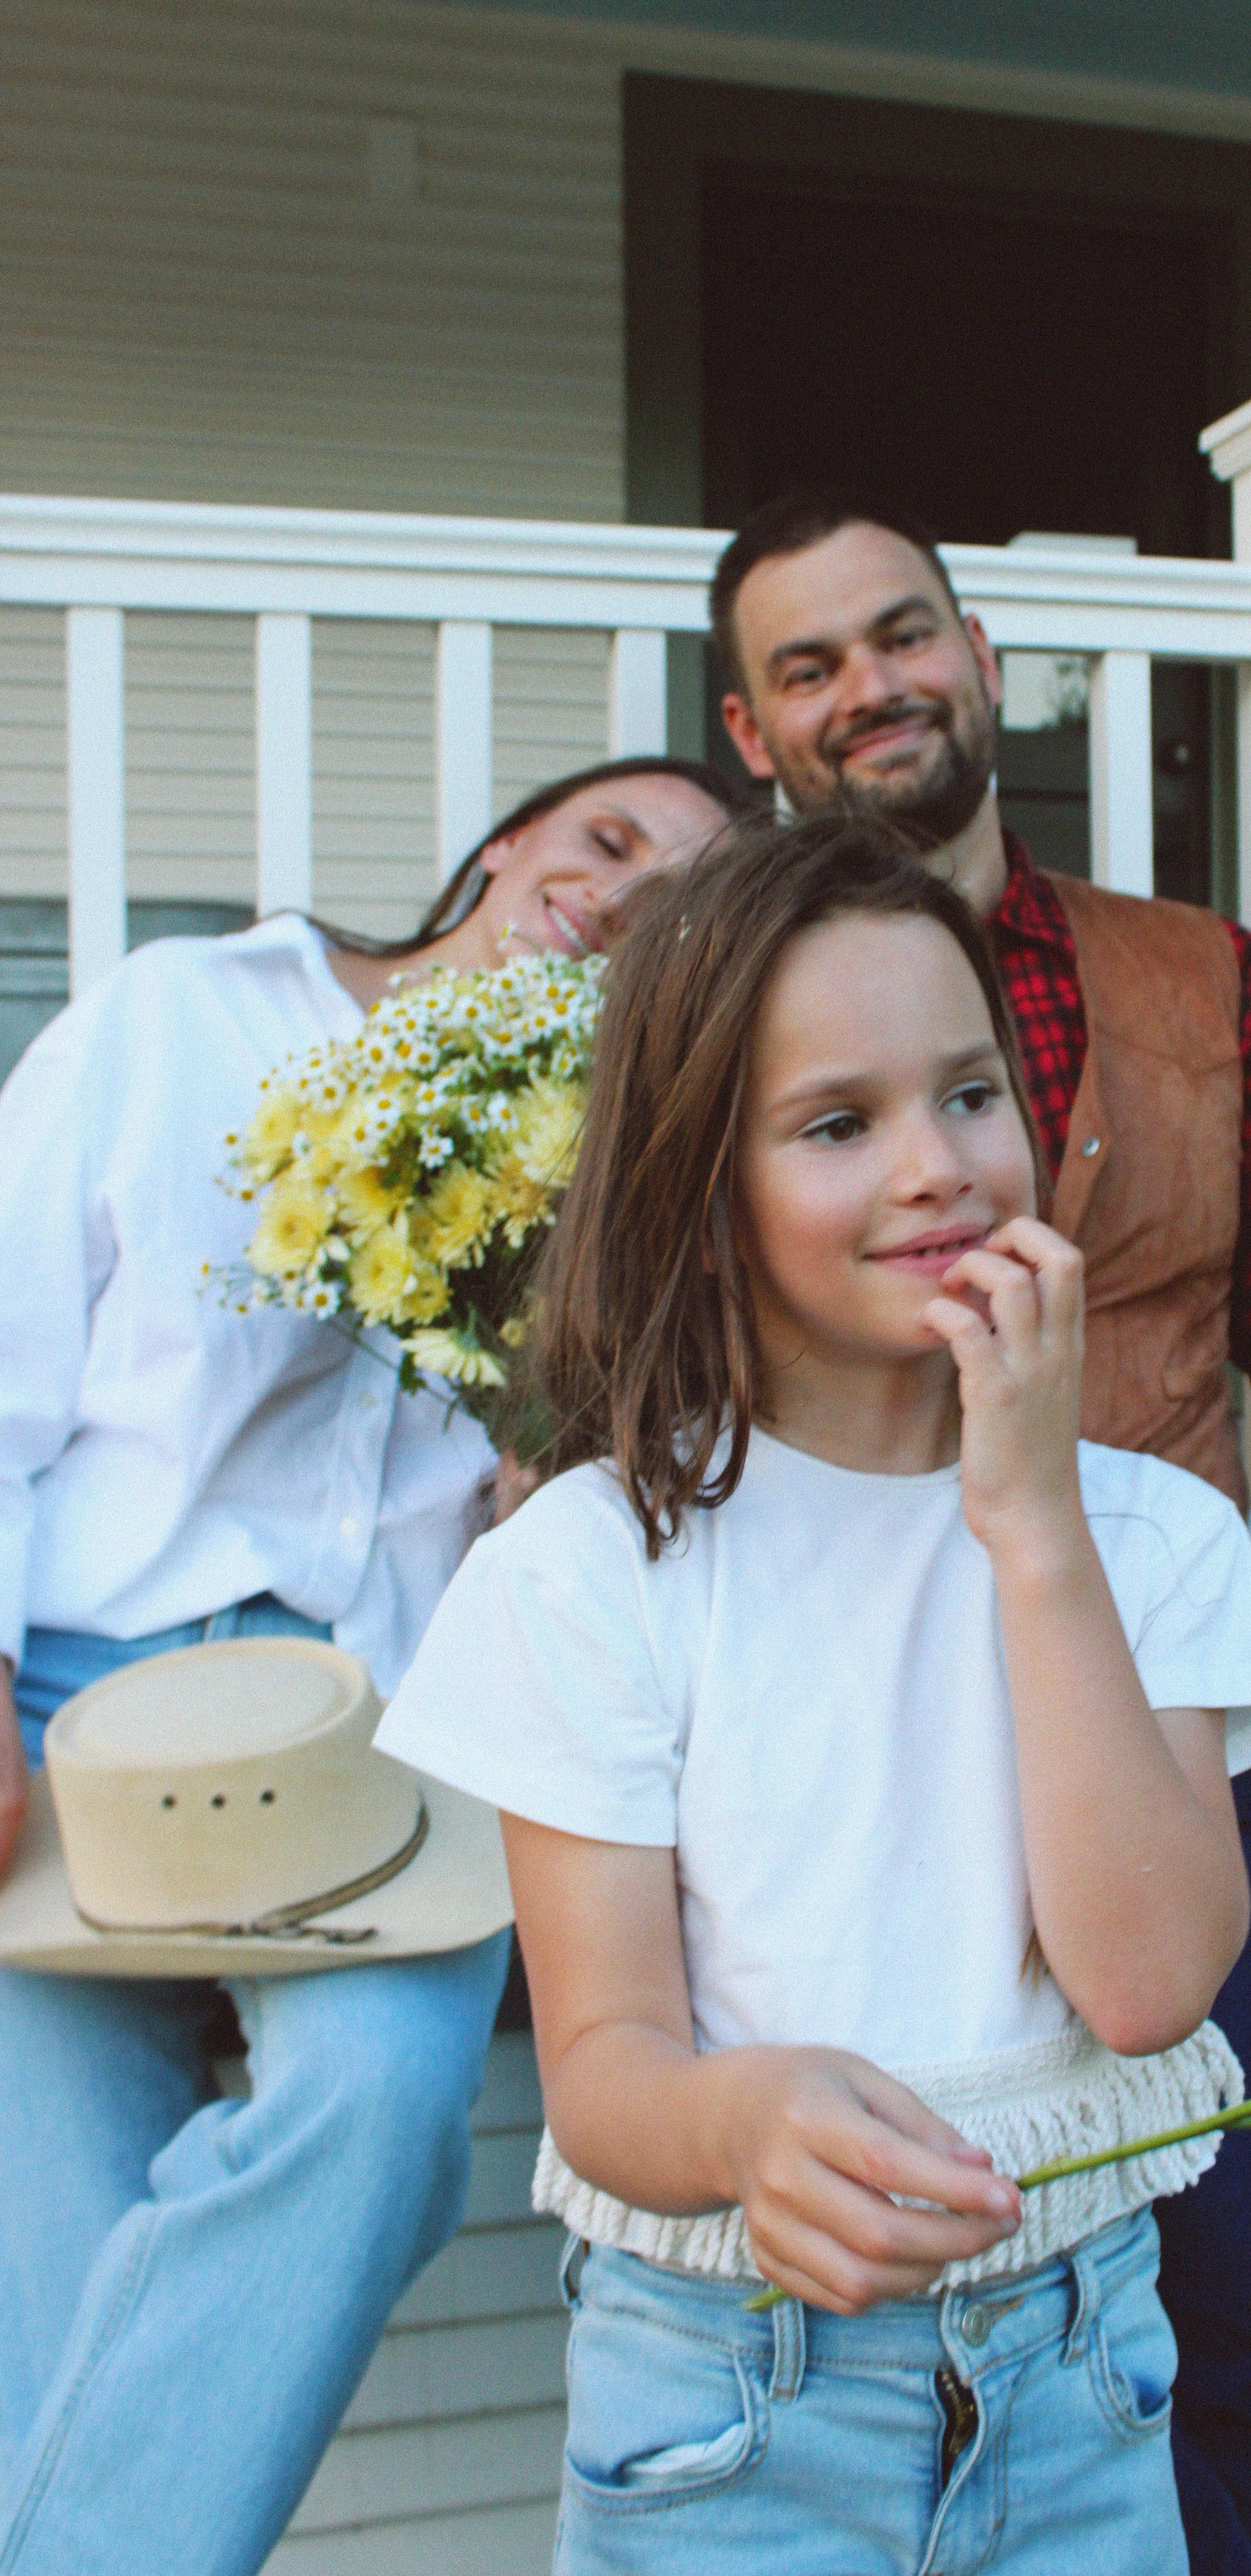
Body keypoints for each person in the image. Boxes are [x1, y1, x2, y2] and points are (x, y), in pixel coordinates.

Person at [377, 811, 1251, 2573]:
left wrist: (1033, 1519)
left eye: (973, 1095)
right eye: (838, 1123)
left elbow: (1147, 1985)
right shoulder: (598, 1568)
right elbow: (603, 2067)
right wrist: (741, 2121)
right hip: (732, 2399)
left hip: (1077, 2373)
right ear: (701, 1185)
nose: (938, 1166)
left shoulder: (1151, 1539)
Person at [705, 491, 1251, 2576]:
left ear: (983, 660)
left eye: (904, 632)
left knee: (1222, 2313)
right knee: (870, 2327)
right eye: (811, 665)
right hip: (843, 1741)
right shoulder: (708, 1013)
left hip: (1181, 1710)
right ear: (751, 731)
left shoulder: (1196, 978)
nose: (874, 687)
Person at [0, 754, 736, 2576]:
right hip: (74, 1709)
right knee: (51, 2224)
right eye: (607, 842)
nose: (619, 897)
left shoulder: (627, 1184)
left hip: (393, 1744)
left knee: (386, 2118)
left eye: (681, 901)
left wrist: (546, 1427)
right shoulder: (185, 1017)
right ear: (506, 847)